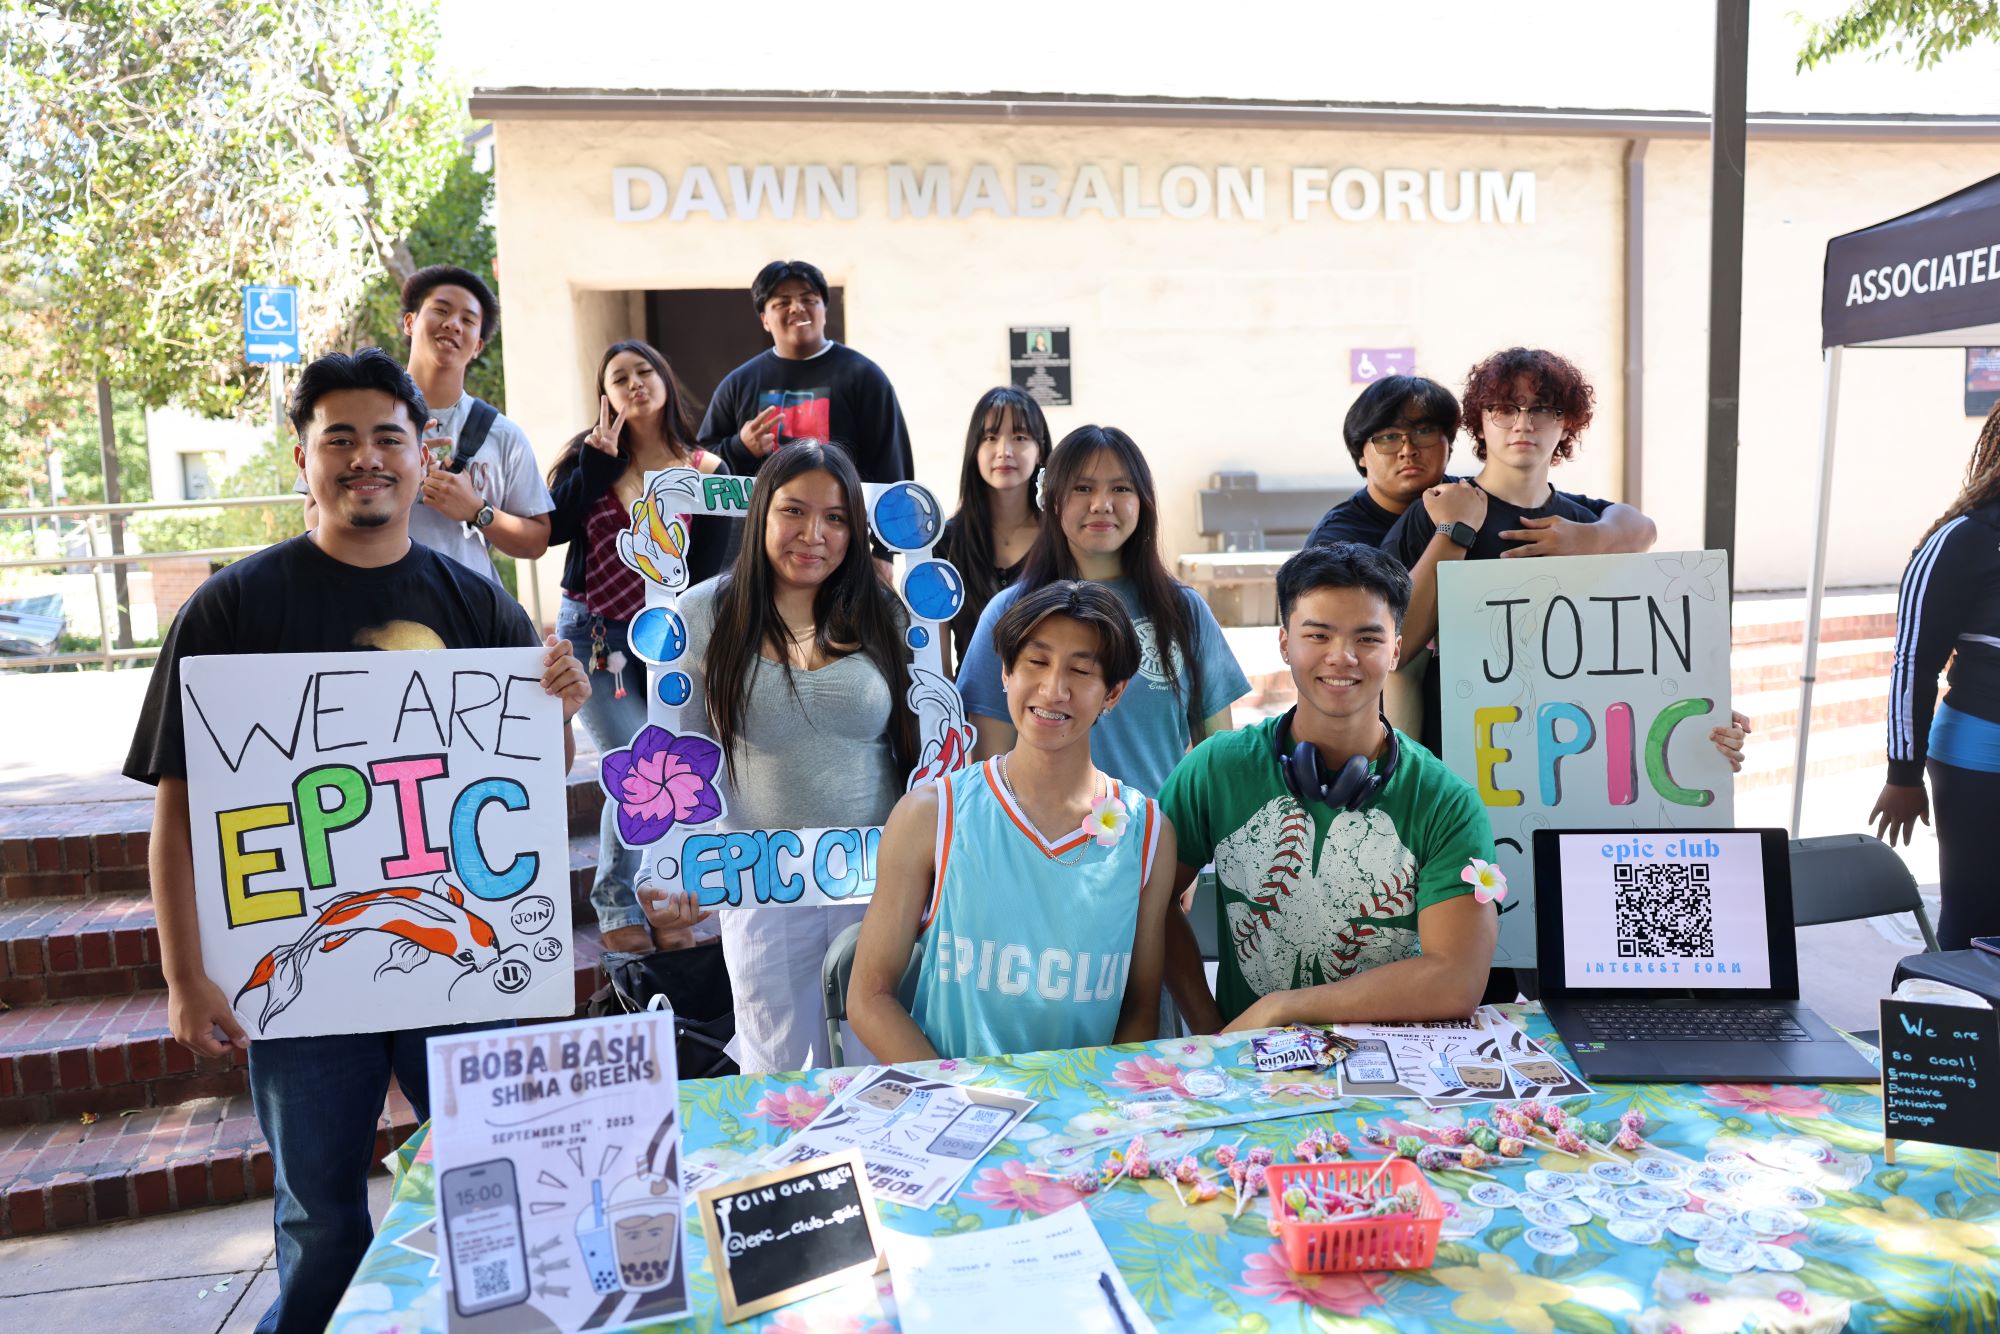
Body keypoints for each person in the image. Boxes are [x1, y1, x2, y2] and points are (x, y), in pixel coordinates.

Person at [125, 349, 590, 1333]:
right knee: (320, 1214)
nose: (364, 458)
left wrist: (556, 704)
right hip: (301, 973)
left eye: (387, 437)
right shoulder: (230, 608)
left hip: (455, 959)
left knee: (485, 1185)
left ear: (423, 457)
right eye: (338, 438)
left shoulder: (478, 604)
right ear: (303, 458)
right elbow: (178, 809)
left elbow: (522, 787)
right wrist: (184, 973)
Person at [641, 440, 917, 1074]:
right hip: (761, 885)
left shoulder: (886, 615)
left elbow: (923, 752)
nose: (813, 534)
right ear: (762, 512)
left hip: (877, 887)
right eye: (794, 511)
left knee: (883, 1074)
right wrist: (674, 862)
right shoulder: (703, 614)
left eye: (836, 517)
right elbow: (673, 761)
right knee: (777, 1079)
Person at [1160, 545, 1496, 1032]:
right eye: (1318, 635)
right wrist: (1210, 1030)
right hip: (1252, 1064)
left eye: (1367, 638)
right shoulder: (1213, 769)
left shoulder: (1448, 802)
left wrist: (1283, 1008)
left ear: (1396, 649)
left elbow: (1456, 980)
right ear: (1284, 643)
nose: (1342, 657)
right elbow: (1151, 903)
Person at [850, 581, 1176, 1060]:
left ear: (1114, 692)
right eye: (1036, 663)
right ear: (1005, 672)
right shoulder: (933, 814)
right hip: (958, 1112)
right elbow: (869, 997)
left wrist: (1092, 1106)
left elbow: (1140, 1007)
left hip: (1085, 1115)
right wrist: (960, 1100)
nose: (1053, 689)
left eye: (1081, 670)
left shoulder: (1147, 833)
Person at [546, 340, 727, 954]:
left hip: (672, 637)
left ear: (665, 380)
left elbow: (707, 570)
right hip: (594, 637)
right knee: (635, 761)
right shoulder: (588, 457)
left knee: (672, 763)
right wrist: (593, 466)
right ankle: (617, 900)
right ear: (606, 396)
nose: (633, 384)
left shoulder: (706, 468)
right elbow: (555, 529)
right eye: (617, 378)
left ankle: (665, 904)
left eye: (643, 371)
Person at [956, 425, 1251, 796]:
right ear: (1053, 498)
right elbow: (988, 765)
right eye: (1083, 488)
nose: (1101, 503)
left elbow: (1218, 760)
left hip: (1157, 844)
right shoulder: (1010, 611)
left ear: (1142, 502)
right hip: (1039, 846)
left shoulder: (1184, 611)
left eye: (1120, 488)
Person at [300, 266, 553, 583]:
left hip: (466, 608)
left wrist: (476, 510)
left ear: (478, 346)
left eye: (468, 320)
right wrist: (394, 478)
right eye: (441, 310)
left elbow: (535, 541)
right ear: (410, 322)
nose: (453, 324)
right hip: (367, 596)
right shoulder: (358, 412)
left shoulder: (503, 435)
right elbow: (312, 519)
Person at [1871, 405, 2000, 949]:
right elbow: (1913, 664)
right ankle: (1960, 1029)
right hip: (1982, 755)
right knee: (1975, 922)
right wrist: (1904, 774)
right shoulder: (1963, 539)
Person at [1307, 373, 1655, 550]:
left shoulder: (1472, 497)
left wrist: (1594, 539)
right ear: (1360, 455)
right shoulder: (1339, 540)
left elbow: (1636, 524)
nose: (1407, 448)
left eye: (1424, 431)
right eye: (1387, 438)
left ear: (1450, 441)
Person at [698, 259, 914, 487]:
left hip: (843, 520)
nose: (797, 308)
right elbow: (699, 463)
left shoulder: (865, 378)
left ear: (825, 311)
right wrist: (740, 447)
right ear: (765, 320)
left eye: (809, 299)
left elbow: (892, 469)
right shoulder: (739, 384)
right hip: (762, 522)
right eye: (782, 303)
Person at [937, 386, 1049, 671]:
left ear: (1040, 451)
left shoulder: (1060, 538)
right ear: (975, 450)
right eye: (990, 437)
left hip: (1046, 706)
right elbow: (938, 656)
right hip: (967, 709)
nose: (1004, 451)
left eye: (1020, 437)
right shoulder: (945, 541)